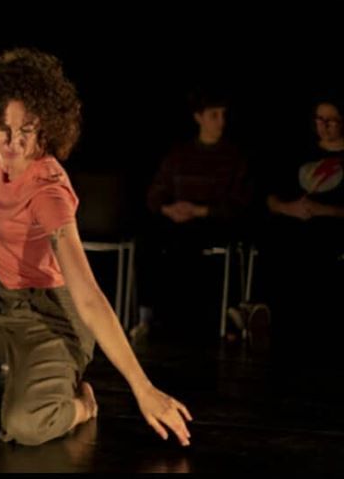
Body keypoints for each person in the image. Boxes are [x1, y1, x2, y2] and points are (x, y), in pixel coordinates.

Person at [0, 48, 192, 448]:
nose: (12, 143)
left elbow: (88, 296)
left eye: (25, 132)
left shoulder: (49, 192)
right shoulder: (2, 157)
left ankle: (83, 405)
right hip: (1, 302)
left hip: (52, 321)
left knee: (25, 425)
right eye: (3, 130)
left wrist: (143, 388)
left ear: (43, 127)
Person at [136, 91, 253, 340]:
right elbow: (156, 193)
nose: (221, 121)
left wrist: (200, 210)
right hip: (177, 220)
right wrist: (169, 209)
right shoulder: (179, 155)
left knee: (189, 243)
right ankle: (147, 316)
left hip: (213, 223)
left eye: (223, 115)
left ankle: (201, 318)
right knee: (149, 239)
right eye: (214, 115)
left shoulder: (234, 157)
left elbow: (239, 203)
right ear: (198, 117)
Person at [259, 95, 344, 350]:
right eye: (319, 119)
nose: (324, 126)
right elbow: (270, 198)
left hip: (331, 231)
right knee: (277, 238)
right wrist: (289, 208)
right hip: (294, 225)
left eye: (331, 120)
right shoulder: (299, 153)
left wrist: (324, 210)